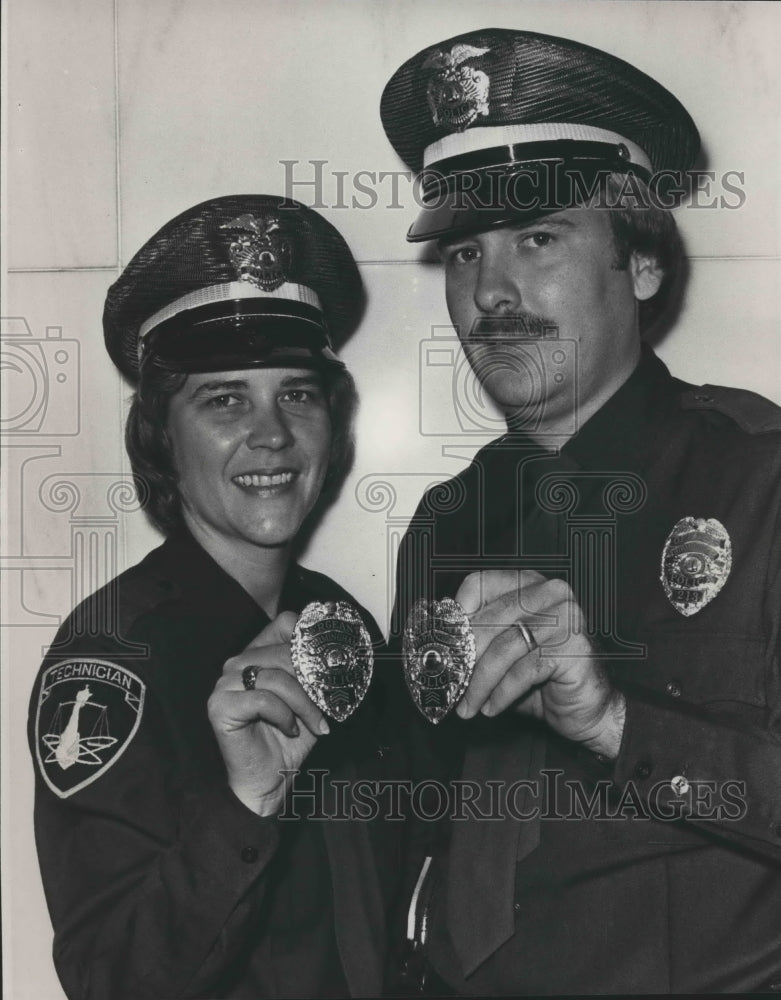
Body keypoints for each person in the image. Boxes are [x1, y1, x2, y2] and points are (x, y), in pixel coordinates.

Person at [380, 28, 781, 995]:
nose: (490, 292)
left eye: (539, 238)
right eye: (464, 253)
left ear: (640, 264)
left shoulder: (760, 481)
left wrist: (612, 722)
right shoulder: (444, 526)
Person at [28, 194, 406, 1000]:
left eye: (296, 393)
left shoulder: (340, 623)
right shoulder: (108, 656)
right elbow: (111, 981)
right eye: (225, 399)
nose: (271, 433)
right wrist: (245, 804)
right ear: (161, 434)